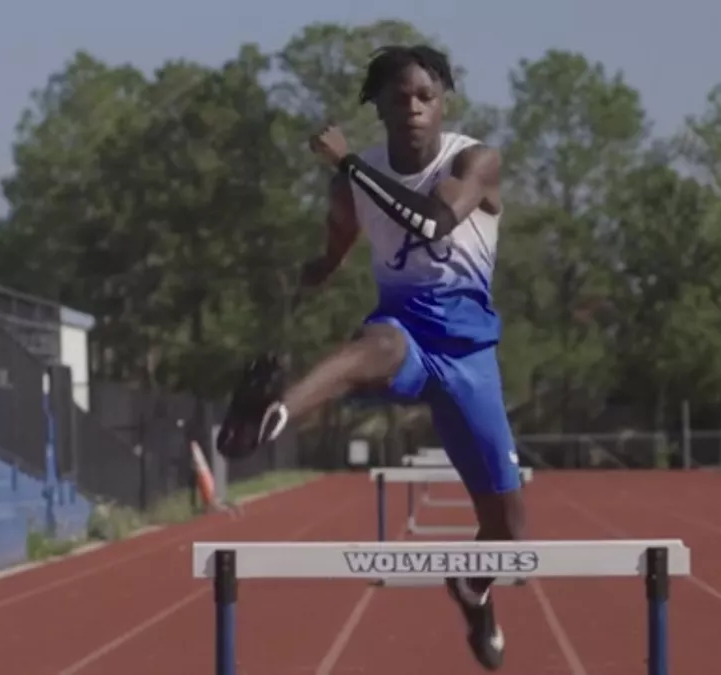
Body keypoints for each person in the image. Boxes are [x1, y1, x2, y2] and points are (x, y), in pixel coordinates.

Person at [217, 44, 523, 671]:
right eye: (399, 97)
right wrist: (319, 269)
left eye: (425, 97)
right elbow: (338, 237)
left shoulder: (474, 160)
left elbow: (435, 223)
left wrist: (350, 164)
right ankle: (273, 413)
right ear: (378, 105)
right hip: (405, 332)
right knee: (375, 344)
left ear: (443, 102)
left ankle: (473, 589)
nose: (413, 107)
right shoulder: (350, 184)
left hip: (469, 356)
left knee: (511, 532)